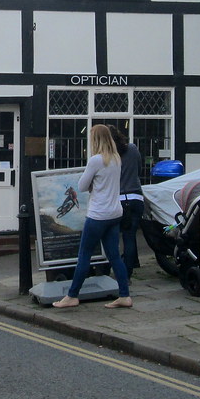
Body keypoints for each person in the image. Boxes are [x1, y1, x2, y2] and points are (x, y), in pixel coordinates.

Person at [52, 124, 132, 309]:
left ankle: (72, 296)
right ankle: (124, 295)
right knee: (114, 256)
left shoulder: (96, 160)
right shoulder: (116, 158)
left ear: (95, 140)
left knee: (84, 256)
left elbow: (81, 186)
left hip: (98, 214)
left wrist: (91, 186)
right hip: (115, 213)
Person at [109, 125, 143, 276]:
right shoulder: (133, 149)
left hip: (119, 199)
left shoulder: (109, 156)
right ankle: (128, 273)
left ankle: (116, 271)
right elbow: (139, 169)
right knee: (130, 237)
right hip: (136, 197)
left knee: (113, 238)